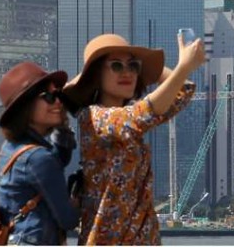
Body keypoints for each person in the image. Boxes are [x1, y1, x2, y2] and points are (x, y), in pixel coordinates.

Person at [62, 32, 204, 245]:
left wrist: (150, 70)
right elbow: (140, 115)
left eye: (133, 66)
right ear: (96, 75)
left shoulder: (130, 115)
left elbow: (183, 89)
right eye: (117, 66)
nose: (126, 72)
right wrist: (182, 66)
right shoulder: (93, 118)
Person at [0, 61, 80, 246]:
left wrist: (62, 125)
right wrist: (78, 201)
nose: (58, 101)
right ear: (25, 106)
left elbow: (57, 162)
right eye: (48, 97)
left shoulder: (10, 149)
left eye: (58, 95)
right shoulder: (38, 158)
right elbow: (68, 220)